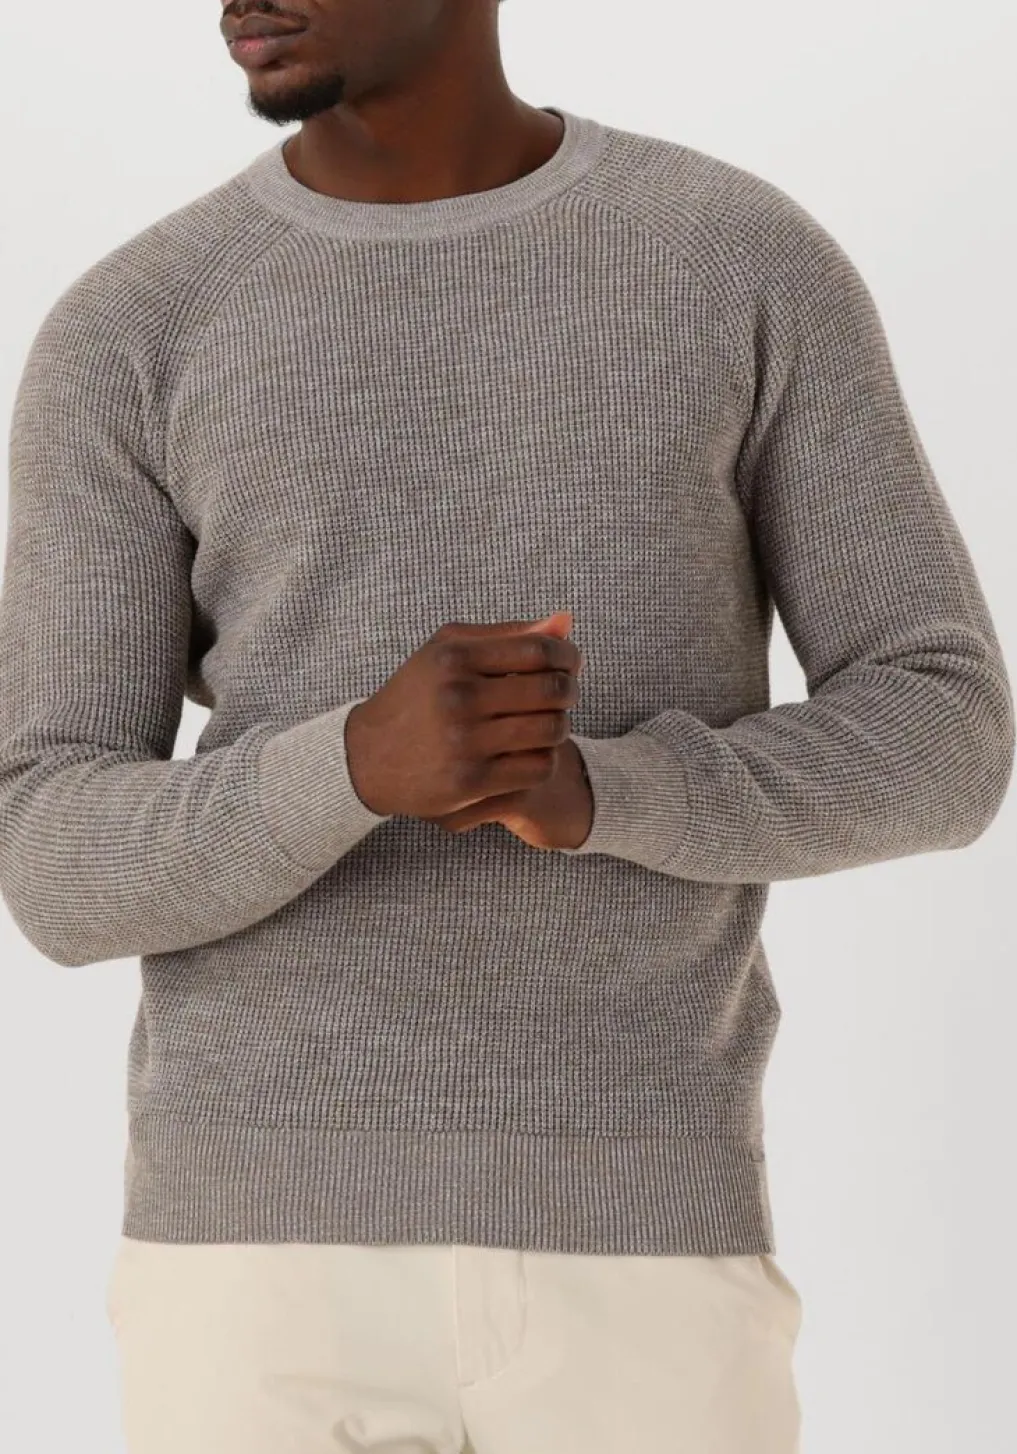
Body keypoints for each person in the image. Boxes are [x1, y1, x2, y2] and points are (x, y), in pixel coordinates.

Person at [1, 1, 1013, 1451]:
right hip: (250, 1268)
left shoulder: (733, 261)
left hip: (645, 1239)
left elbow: (946, 728)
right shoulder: (134, 323)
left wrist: (606, 790)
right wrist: (351, 767)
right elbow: (50, 855)